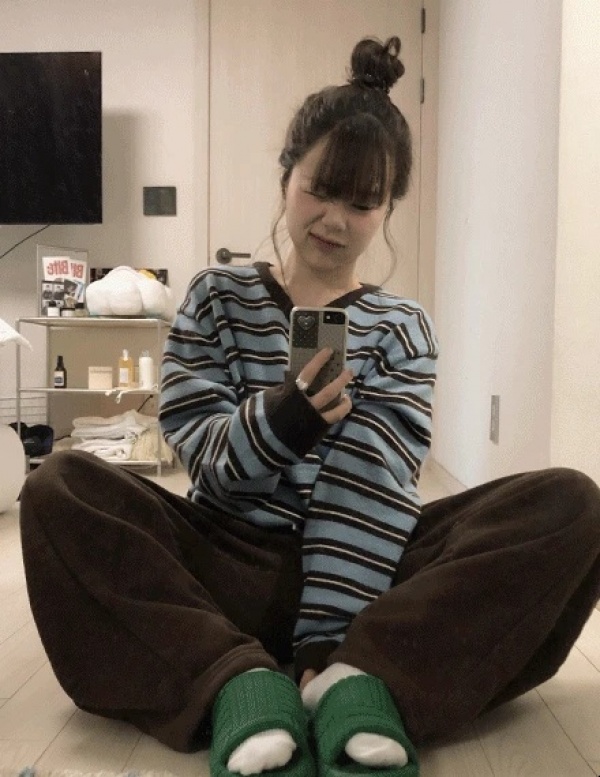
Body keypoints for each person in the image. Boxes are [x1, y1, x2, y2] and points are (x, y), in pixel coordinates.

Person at [19, 36, 600, 777]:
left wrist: (331, 636)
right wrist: (283, 420)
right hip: (225, 562)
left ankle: (354, 679)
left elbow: (375, 481)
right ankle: (240, 681)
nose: (336, 218)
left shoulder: (402, 327)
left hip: (372, 574)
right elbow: (208, 463)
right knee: (60, 488)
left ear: (387, 208)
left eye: (362, 202)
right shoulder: (215, 298)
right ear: (287, 174)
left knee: (571, 504)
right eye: (320, 189)